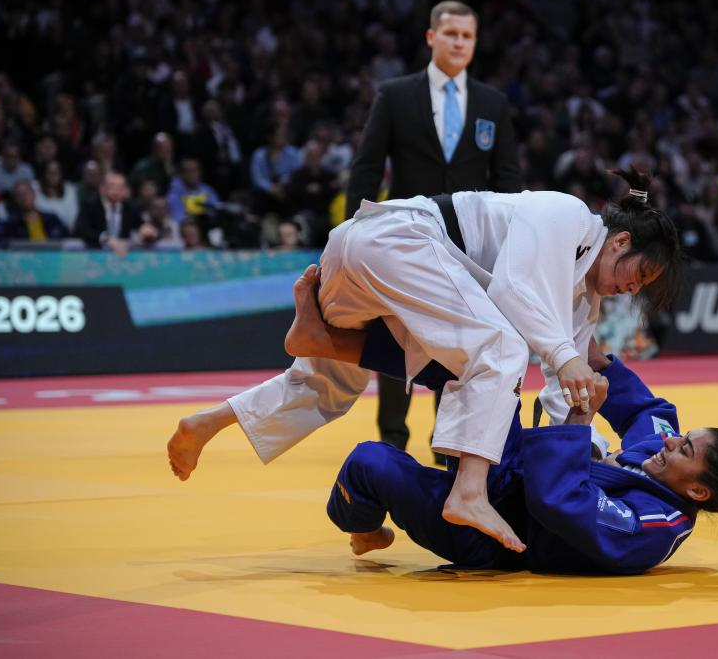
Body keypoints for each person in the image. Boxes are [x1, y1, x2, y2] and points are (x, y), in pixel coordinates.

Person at [167, 168, 681, 553]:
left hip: (367, 270)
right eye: (638, 274)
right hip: (397, 241)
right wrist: (567, 356)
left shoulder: (581, 306)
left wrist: (587, 453)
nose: (631, 289)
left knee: (330, 388)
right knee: (499, 348)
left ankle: (210, 421)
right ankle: (469, 492)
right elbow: (513, 290)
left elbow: (559, 388)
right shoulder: (566, 216)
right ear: (620, 241)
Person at [329, 327, 718, 575]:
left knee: (368, 462)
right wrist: (589, 352)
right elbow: (647, 411)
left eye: (685, 448)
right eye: (683, 435)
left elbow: (560, 500)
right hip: (508, 472)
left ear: (697, 491)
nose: (672, 441)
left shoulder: (653, 528)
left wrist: (581, 419)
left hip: (495, 538)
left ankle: (363, 528)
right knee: (482, 366)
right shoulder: (662, 459)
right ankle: (335, 343)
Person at [345, 0, 522, 460]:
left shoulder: (493, 103)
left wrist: (510, 244)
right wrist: (351, 231)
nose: (459, 43)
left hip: (467, 243)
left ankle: (449, 443)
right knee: (394, 335)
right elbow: (367, 167)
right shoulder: (395, 95)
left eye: (467, 36)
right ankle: (392, 442)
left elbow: (507, 180)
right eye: (451, 34)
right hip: (404, 236)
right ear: (431, 37)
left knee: (459, 343)